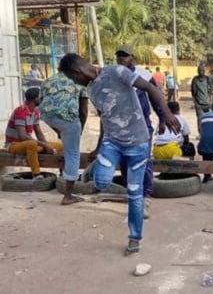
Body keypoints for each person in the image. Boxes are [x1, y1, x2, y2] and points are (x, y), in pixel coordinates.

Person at [60, 53, 180, 256]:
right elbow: (104, 117)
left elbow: (151, 88)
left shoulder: (117, 71)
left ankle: (134, 238)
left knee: (134, 194)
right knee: (101, 183)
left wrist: (166, 113)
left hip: (138, 143)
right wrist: (99, 147)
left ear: (77, 71)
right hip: (112, 142)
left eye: (73, 79)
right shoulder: (90, 89)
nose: (76, 83)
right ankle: (97, 166)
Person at [114, 44, 164, 219]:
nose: (121, 58)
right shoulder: (111, 76)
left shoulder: (144, 75)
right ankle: (133, 197)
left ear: (132, 58)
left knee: (144, 161)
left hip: (143, 127)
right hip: (121, 128)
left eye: (125, 55)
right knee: (126, 163)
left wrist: (163, 118)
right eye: (119, 55)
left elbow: (156, 98)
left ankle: (145, 199)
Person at [39, 70, 88, 206]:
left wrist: (59, 130)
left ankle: (62, 132)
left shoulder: (49, 79)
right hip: (68, 118)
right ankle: (68, 196)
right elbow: (83, 111)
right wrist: (79, 130)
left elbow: (41, 103)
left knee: (65, 132)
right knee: (73, 155)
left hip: (47, 116)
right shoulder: (80, 81)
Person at [5, 88, 64, 193]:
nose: (42, 99)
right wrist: (45, 146)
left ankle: (62, 172)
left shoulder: (35, 111)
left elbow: (38, 132)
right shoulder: (21, 111)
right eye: (40, 97)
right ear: (35, 98)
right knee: (32, 144)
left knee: (60, 145)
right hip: (14, 145)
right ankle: (36, 174)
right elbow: (22, 136)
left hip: (27, 144)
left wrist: (47, 145)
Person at [191, 65, 212, 133]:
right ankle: (207, 133)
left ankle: (201, 134)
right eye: (201, 71)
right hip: (205, 102)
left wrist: (195, 101)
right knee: (208, 119)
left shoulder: (195, 79)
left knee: (200, 119)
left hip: (201, 103)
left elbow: (193, 91)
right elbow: (211, 90)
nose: (201, 72)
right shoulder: (207, 79)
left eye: (202, 71)